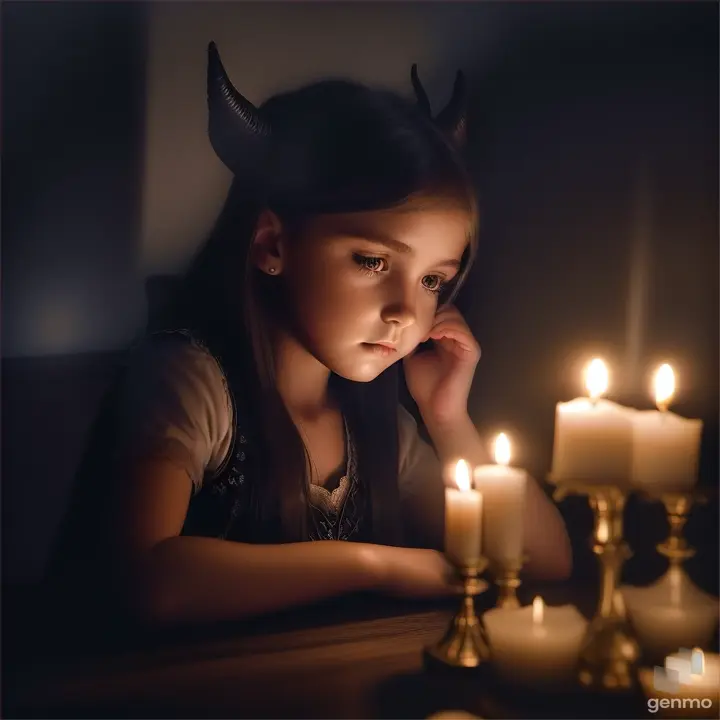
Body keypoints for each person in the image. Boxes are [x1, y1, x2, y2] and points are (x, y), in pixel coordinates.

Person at [47, 43, 571, 627]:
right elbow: (146, 577)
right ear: (273, 244)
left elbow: (542, 561)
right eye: (371, 261)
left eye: (431, 279)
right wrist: (375, 566)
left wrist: (448, 417)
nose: (406, 310)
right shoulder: (189, 378)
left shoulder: (375, 425)